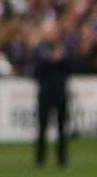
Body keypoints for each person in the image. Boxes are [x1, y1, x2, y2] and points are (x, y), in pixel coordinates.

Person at [32, 22, 75, 169]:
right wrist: (52, 60)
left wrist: (60, 59)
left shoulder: (64, 49)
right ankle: (40, 159)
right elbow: (36, 71)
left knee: (62, 127)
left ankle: (62, 158)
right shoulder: (40, 50)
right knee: (42, 127)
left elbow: (70, 68)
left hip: (60, 93)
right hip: (45, 93)